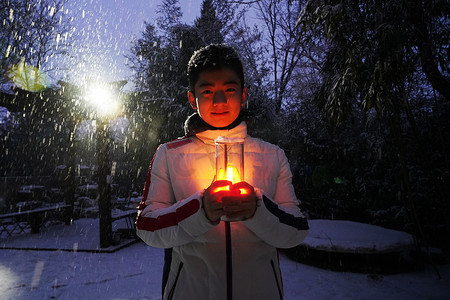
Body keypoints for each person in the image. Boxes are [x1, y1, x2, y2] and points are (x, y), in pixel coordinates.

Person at [136, 44, 309, 300]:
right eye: (207, 91)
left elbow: (296, 230)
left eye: (229, 89)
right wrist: (200, 209)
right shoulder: (169, 154)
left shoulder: (272, 156)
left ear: (243, 95)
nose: (220, 101)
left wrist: (258, 208)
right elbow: (147, 226)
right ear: (192, 99)